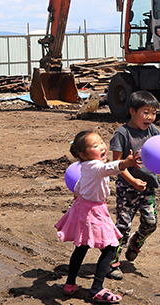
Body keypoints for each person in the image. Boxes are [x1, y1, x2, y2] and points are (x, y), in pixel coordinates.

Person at [55, 130, 142, 303]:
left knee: (82, 246)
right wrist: (125, 163)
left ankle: (70, 284)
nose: (102, 146)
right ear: (83, 154)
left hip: (83, 206)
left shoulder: (86, 166)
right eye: (95, 146)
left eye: (102, 142)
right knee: (110, 247)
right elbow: (107, 168)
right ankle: (97, 288)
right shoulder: (96, 166)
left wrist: (78, 191)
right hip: (93, 211)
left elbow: (81, 182)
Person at [107, 90, 160, 280]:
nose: (150, 117)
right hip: (127, 188)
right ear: (132, 111)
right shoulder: (122, 134)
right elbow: (117, 164)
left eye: (154, 113)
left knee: (151, 223)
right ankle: (112, 262)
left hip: (148, 186)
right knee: (123, 226)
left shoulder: (153, 131)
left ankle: (136, 243)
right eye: (146, 112)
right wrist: (133, 181)